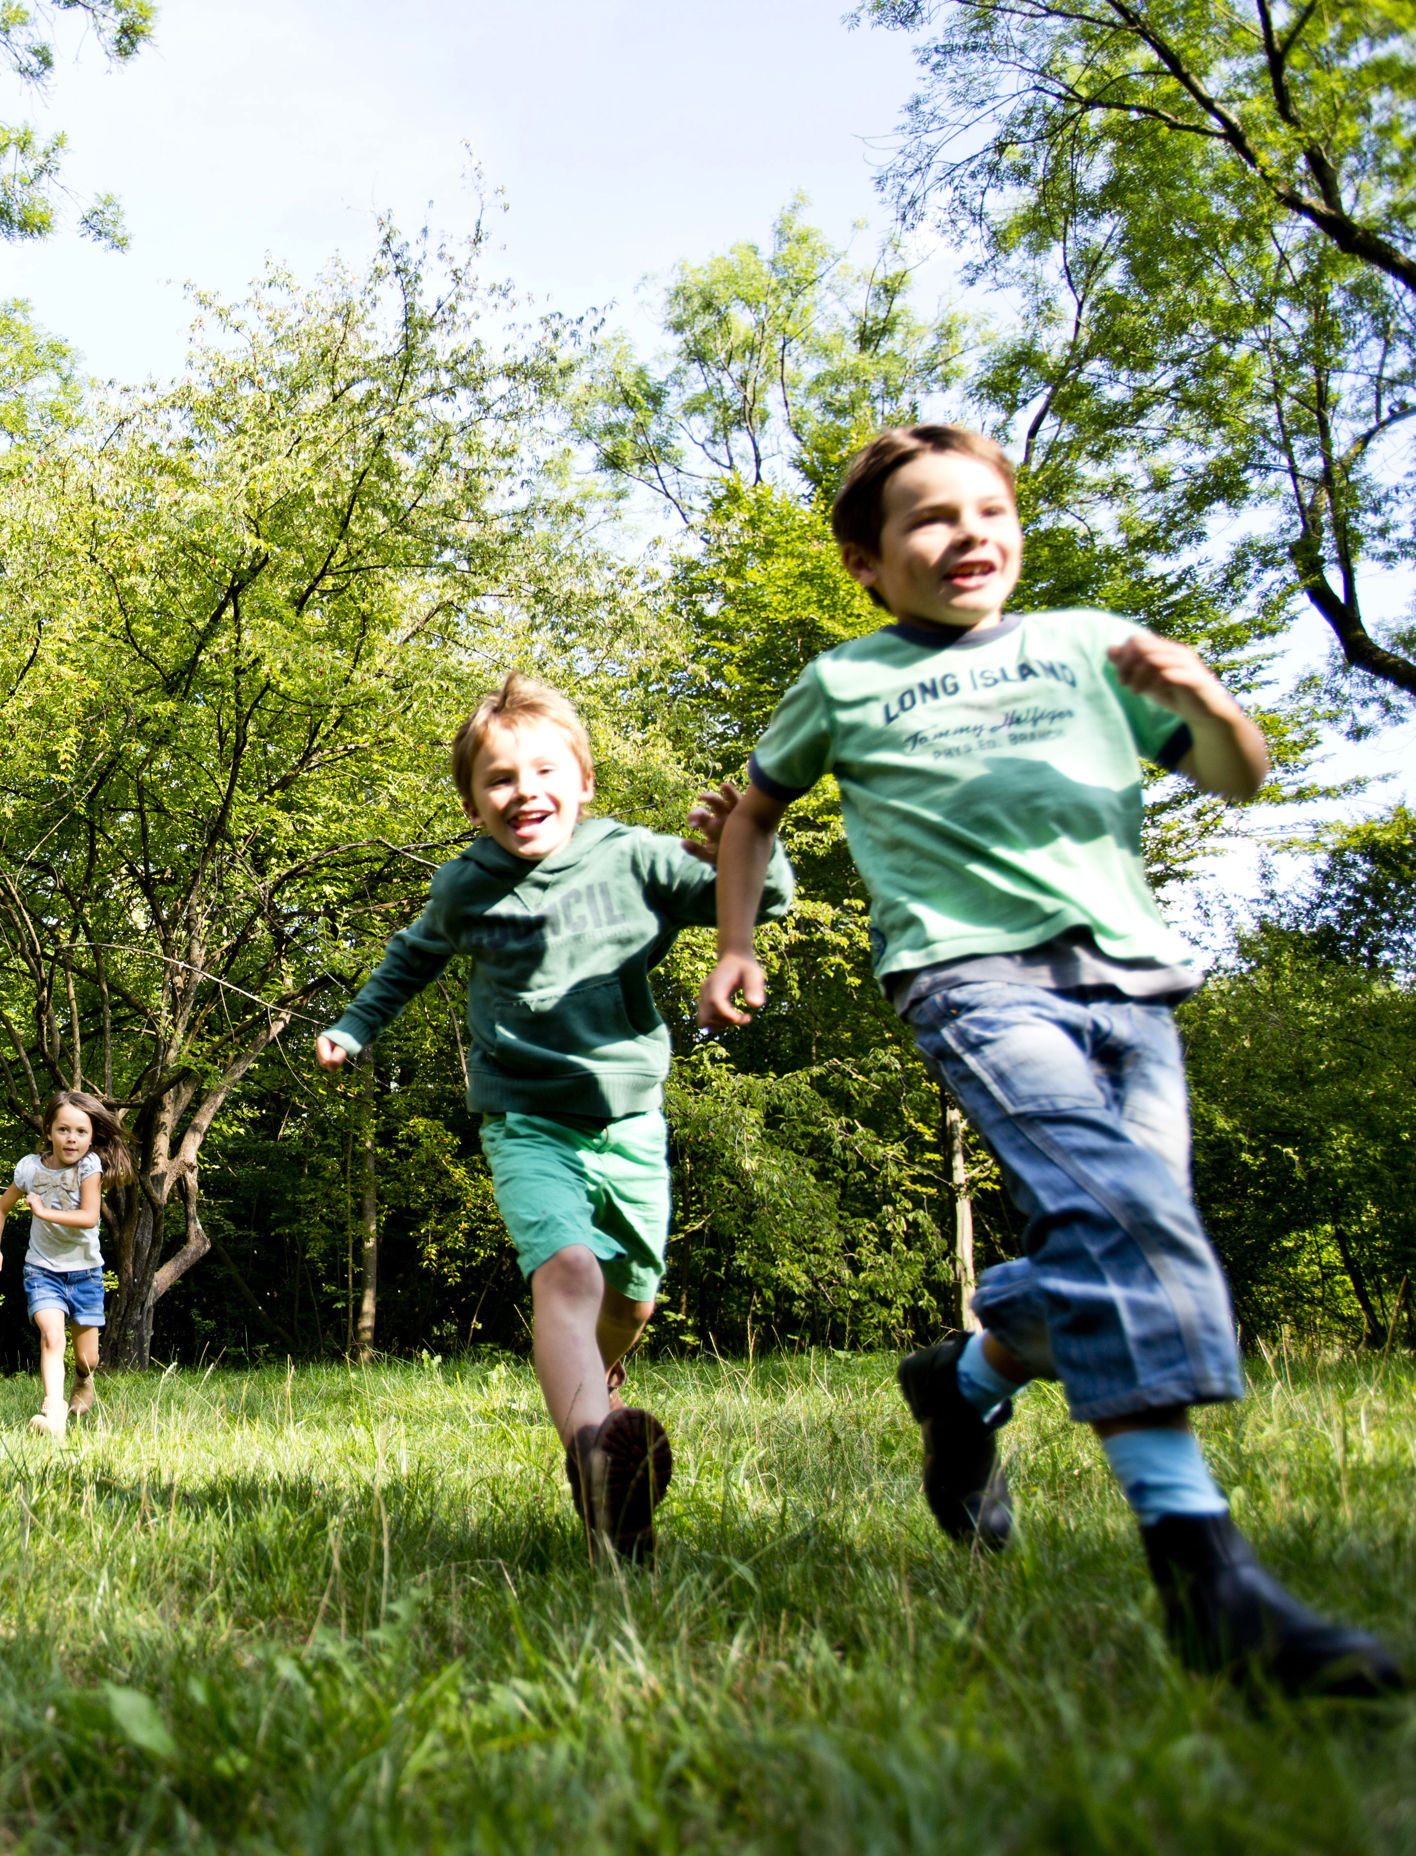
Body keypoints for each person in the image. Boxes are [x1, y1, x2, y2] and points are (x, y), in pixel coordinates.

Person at [696, 424, 1402, 1698]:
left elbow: (1239, 780)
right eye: (928, 519)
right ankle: (1207, 1577)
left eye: (988, 509)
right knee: (1122, 1213)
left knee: (1111, 1233)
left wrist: (1206, 697)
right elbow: (754, 808)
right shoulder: (845, 681)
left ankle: (964, 1382)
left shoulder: (1087, 647)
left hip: (1130, 976)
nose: (967, 533)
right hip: (968, 976)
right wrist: (738, 941)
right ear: (868, 563)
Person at [317, 674, 790, 1563]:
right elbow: (411, 958)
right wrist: (354, 1024)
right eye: (499, 779)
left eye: (543, 771)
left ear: (584, 781)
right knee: (568, 1273)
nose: (523, 790)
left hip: (631, 1119)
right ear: (473, 802)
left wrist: (743, 849)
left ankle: (601, 1387)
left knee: (634, 1299)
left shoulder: (635, 859)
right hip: (525, 1118)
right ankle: (598, 1468)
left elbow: (759, 903)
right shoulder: (469, 887)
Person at [0, 1089, 132, 1435]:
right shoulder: (29, 1169)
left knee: (87, 1358)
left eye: (81, 1132)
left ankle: (84, 1380)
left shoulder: (89, 1166)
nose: (72, 1139)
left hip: (85, 1274)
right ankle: (53, 1414)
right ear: (49, 1130)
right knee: (51, 1336)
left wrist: (44, 1211)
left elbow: (89, 1216)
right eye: (64, 1129)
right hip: (42, 1270)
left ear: (92, 1137)